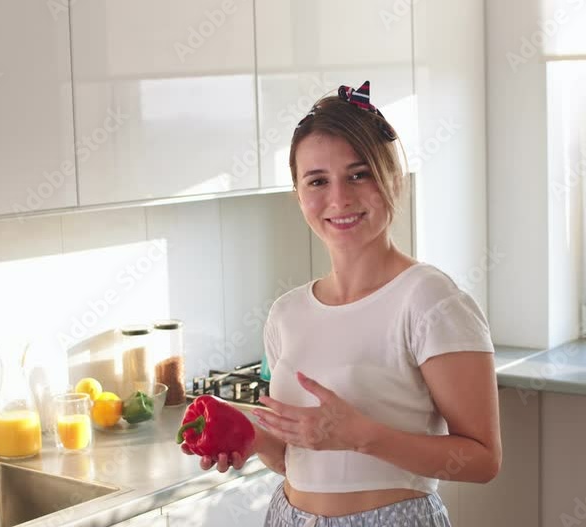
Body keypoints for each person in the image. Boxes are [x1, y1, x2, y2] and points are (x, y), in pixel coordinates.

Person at [181, 81, 502, 526]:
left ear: (391, 176)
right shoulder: (286, 314)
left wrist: (362, 436)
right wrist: (251, 439)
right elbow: (299, 459)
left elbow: (483, 460)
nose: (340, 198)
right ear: (298, 195)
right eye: (317, 181)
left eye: (359, 174)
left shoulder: (430, 300)